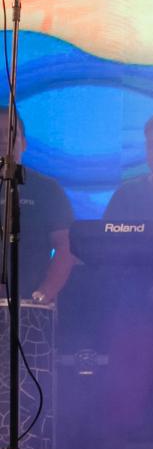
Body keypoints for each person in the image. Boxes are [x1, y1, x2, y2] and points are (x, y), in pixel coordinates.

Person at [0, 106, 75, 304]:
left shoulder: (46, 189)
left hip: (30, 305)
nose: (4, 140)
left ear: (23, 143)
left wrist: (44, 293)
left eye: (11, 134)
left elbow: (66, 246)